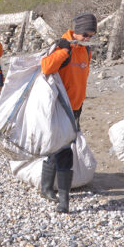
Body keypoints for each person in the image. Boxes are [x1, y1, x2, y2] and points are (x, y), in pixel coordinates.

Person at [39, 13, 96, 214]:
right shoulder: (62, 46)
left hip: (75, 109)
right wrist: (64, 50)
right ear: (79, 30)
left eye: (92, 34)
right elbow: (45, 67)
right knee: (65, 153)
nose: (90, 38)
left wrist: (79, 104)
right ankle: (64, 200)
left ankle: (46, 187)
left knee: (59, 148)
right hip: (59, 109)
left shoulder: (85, 51)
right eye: (87, 34)